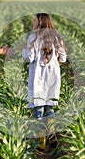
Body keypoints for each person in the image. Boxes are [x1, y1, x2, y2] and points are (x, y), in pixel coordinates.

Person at [22, 13, 67, 149]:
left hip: (39, 78)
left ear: (40, 22)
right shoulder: (57, 37)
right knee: (49, 107)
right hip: (53, 77)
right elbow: (63, 58)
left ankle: (41, 142)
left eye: (35, 20)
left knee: (39, 109)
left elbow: (30, 58)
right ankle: (52, 134)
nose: (33, 21)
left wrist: (23, 50)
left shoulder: (33, 38)